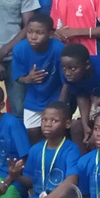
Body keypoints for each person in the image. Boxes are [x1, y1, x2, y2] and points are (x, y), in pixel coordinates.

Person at [12, 14, 65, 142]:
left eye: (39, 33)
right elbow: (18, 77)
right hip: (33, 99)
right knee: (32, 135)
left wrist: (61, 105)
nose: (33, 36)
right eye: (29, 32)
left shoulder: (59, 49)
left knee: (56, 135)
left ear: (50, 34)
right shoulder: (19, 49)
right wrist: (28, 79)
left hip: (55, 97)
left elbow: (66, 82)